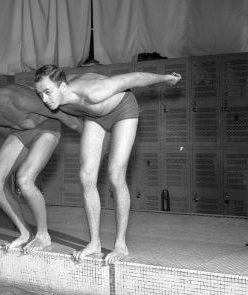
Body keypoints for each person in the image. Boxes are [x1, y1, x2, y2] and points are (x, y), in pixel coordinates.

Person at [34, 65, 181, 265]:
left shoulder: (94, 90)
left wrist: (165, 77)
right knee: (86, 176)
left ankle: (121, 244)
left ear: (62, 87)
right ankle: (94, 243)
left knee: (115, 175)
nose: (44, 99)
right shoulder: (56, 99)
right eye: (40, 93)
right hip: (95, 118)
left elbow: (135, 78)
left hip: (123, 110)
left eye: (47, 92)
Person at [0, 67, 83, 254]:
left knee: (25, 179)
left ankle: (43, 235)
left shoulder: (18, 98)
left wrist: (94, 140)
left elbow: (63, 115)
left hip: (47, 128)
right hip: (21, 134)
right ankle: (24, 232)